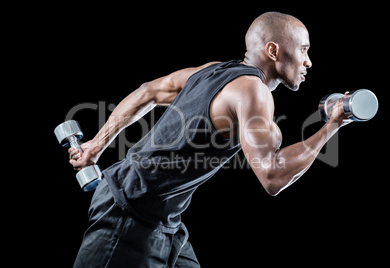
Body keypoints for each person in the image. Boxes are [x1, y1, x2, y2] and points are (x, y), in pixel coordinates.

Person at [70, 11, 351, 267]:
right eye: (303, 49)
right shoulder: (253, 91)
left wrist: (95, 145)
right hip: (128, 212)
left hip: (163, 220)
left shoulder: (212, 71)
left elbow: (149, 91)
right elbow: (273, 176)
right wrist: (333, 125)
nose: (308, 61)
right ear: (273, 50)